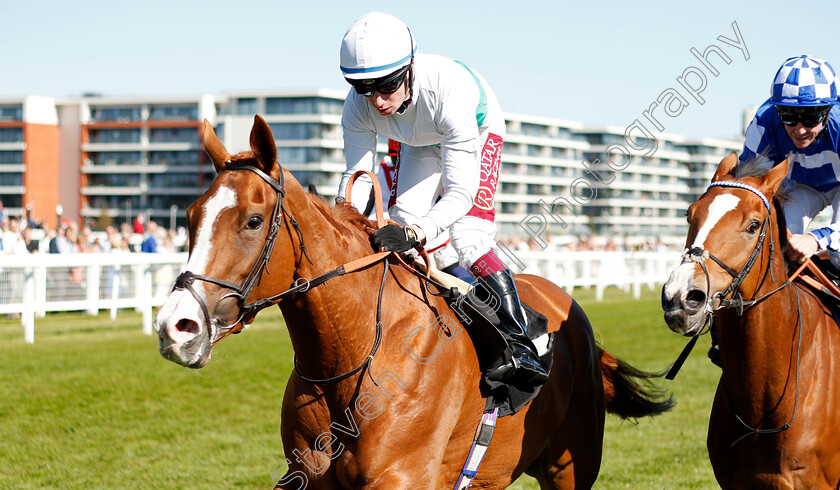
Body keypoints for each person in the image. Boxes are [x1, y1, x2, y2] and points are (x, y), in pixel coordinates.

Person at [336, 12, 547, 386]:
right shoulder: (357, 106)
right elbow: (357, 179)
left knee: (468, 237)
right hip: (419, 140)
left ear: (410, 67)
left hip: (475, 129)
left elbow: (462, 192)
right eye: (365, 89)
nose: (378, 102)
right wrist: (341, 219)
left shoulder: (447, 91)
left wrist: (418, 233)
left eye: (386, 86)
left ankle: (521, 347)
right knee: (398, 219)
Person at [708, 55, 840, 367]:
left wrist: (817, 239)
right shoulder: (764, 120)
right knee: (777, 251)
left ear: (829, 110)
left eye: (811, 117)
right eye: (790, 116)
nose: (800, 128)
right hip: (799, 186)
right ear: (776, 109)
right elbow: (751, 187)